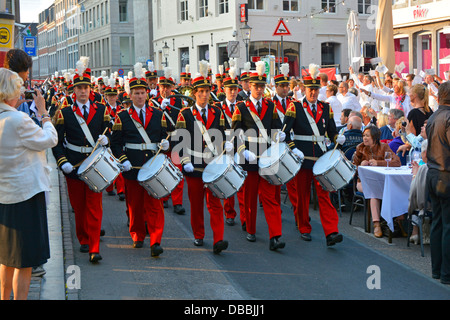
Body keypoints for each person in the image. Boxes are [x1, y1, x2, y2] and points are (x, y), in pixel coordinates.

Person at [0, 68, 58, 300]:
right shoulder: (17, 119)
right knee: (24, 262)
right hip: (25, 196)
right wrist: (44, 113)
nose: (22, 96)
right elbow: (49, 139)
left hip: (4, 195)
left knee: (5, 259)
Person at [51, 57, 110, 263]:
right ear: (73, 91)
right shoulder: (65, 113)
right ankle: (83, 238)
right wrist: (62, 162)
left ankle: (94, 247)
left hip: (95, 166)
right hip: (74, 165)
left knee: (95, 206)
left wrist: (107, 139)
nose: (83, 91)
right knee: (79, 206)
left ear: (90, 89)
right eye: (79, 88)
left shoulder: (102, 110)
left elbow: (110, 132)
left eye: (86, 87)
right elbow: (56, 142)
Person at [110, 63, 169, 257]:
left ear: (147, 94)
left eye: (142, 92)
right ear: (130, 95)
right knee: (134, 204)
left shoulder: (158, 114)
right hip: (132, 166)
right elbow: (116, 144)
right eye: (136, 93)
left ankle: (156, 240)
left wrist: (166, 144)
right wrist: (123, 159)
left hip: (152, 166)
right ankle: (137, 235)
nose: (140, 96)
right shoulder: (122, 117)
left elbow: (166, 136)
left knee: (155, 203)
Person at [282, 68, 345, 246]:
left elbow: (331, 131)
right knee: (302, 196)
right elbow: (285, 134)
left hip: (320, 157)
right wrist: (294, 149)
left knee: (325, 195)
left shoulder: (325, 108)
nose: (313, 92)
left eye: (316, 89)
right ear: (304, 89)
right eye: (310, 89)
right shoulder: (294, 107)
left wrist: (337, 137)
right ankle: (304, 227)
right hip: (302, 158)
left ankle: (331, 232)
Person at [174, 60, 229, 254]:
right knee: (197, 204)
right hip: (194, 165)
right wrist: (185, 161)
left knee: (215, 203)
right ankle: (199, 234)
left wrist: (228, 146)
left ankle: (219, 239)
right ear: (194, 93)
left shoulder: (217, 111)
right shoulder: (185, 114)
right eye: (201, 92)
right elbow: (179, 142)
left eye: (207, 91)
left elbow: (224, 133)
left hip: (213, 164)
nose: (204, 95)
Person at [232, 61, 285, 250]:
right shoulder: (241, 107)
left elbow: (276, 126)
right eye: (256, 86)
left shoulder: (270, 106)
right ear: (250, 86)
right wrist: (242, 151)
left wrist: (280, 134)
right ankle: (251, 229)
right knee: (250, 196)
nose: (259, 89)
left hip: (268, 156)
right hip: (249, 157)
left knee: (270, 197)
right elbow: (236, 132)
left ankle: (275, 236)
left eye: (262, 86)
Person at [352, 125, 401, 237]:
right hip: (362, 182)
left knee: (391, 190)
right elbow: (352, 169)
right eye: (364, 135)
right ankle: (377, 224)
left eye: (367, 136)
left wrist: (379, 163)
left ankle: (396, 222)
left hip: (380, 182)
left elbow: (397, 162)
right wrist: (360, 166)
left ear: (375, 137)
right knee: (374, 193)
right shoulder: (360, 148)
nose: (365, 138)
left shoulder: (384, 147)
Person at [425, 81, 450, 285]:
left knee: (438, 223)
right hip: (445, 174)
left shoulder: (434, 116)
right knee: (447, 224)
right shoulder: (447, 117)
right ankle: (446, 273)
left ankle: (437, 270)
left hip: (433, 173)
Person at [152, 68, 186, 215]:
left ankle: (177, 202)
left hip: (176, 139)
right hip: (162, 140)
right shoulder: (153, 101)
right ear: (159, 87)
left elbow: (182, 120)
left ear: (172, 88)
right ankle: (164, 197)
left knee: (177, 172)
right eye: (162, 87)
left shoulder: (178, 101)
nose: (165, 89)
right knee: (163, 171)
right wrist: (160, 108)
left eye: (167, 87)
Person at [216, 67, 245, 226]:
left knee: (241, 180)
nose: (233, 92)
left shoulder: (243, 106)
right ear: (224, 90)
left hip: (240, 144)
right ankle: (229, 212)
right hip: (225, 145)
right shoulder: (218, 107)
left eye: (235, 89)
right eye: (230, 89)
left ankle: (245, 216)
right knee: (227, 179)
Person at [408, 139, 430, 245]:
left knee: (414, 198)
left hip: (428, 207)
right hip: (442, 204)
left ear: (425, 153)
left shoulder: (425, 168)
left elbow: (413, 193)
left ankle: (415, 232)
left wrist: (415, 175)